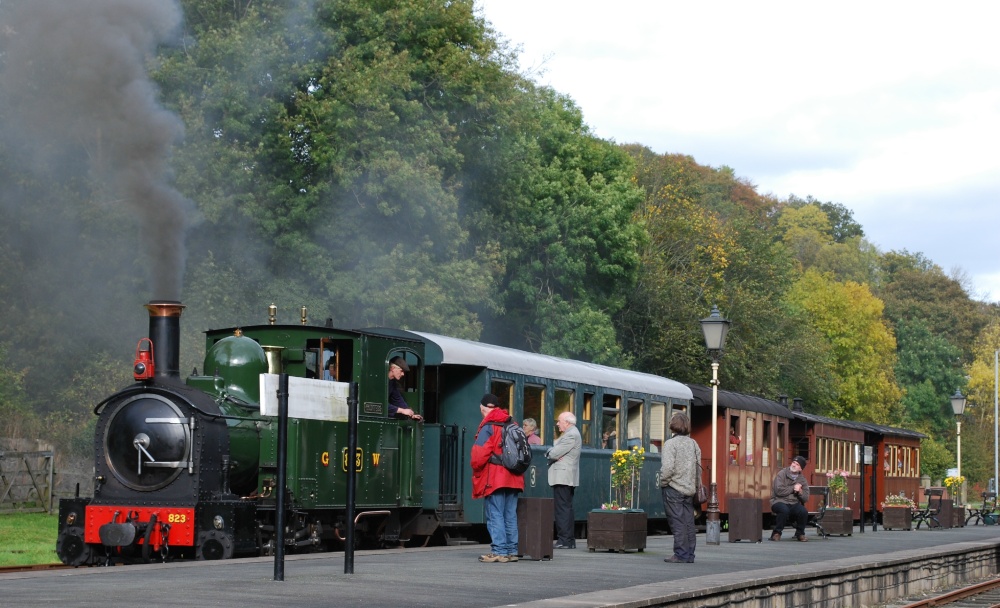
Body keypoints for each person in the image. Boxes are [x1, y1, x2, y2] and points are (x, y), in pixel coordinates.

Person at [471, 393, 524, 563]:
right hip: (514, 476)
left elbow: (479, 455)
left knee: (495, 514)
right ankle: (512, 551)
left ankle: (499, 551)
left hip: (495, 477)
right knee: (510, 515)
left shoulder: (489, 426)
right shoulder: (512, 423)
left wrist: (476, 469)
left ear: (482, 408)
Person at [659, 412, 701, 564]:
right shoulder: (693, 444)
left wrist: (663, 482)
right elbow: (698, 468)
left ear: (673, 425)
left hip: (673, 488)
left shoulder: (671, 444)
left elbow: (667, 468)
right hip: (689, 489)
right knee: (689, 522)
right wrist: (695, 485)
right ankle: (689, 554)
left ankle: (680, 554)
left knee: (677, 522)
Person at [545, 411, 581, 549]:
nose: (557, 424)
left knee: (562, 509)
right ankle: (569, 540)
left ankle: (564, 540)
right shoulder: (571, 433)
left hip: (563, 477)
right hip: (566, 476)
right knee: (566, 508)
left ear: (567, 422)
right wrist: (554, 452)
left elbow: (554, 453)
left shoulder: (571, 434)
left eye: (559, 421)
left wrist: (551, 452)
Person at [770, 455, 810, 542]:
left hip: (793, 503)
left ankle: (800, 534)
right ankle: (776, 533)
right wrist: (793, 488)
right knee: (784, 510)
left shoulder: (802, 479)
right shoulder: (782, 474)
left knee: (803, 511)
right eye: (793, 462)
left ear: (800, 469)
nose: (794, 465)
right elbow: (779, 491)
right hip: (778, 501)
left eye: (797, 464)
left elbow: (806, 498)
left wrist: (800, 491)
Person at [387, 356, 422, 421]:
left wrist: (410, 414)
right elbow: (380, 404)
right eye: (401, 371)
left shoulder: (392, 382)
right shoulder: (380, 381)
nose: (403, 374)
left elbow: (397, 399)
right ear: (392, 368)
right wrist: (402, 410)